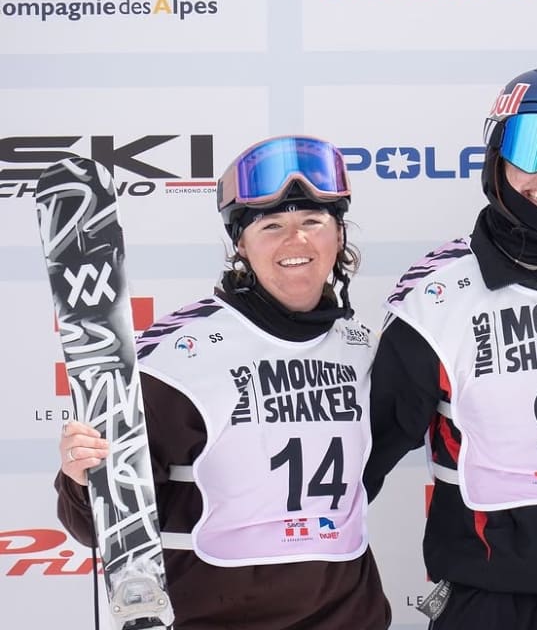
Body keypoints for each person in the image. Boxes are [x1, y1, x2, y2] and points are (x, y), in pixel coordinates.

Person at [56, 135, 391, 629]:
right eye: (271, 225)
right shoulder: (175, 360)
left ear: (338, 235)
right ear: (241, 243)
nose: (294, 241)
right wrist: (81, 478)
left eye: (312, 222)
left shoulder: (365, 350)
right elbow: (103, 528)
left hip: (347, 618)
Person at [363, 67, 537, 630]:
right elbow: (362, 452)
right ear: (497, 155)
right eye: (531, 150)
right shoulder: (436, 294)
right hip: (486, 597)